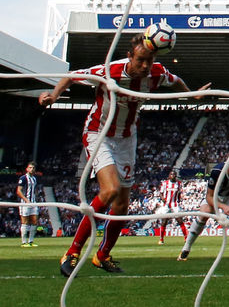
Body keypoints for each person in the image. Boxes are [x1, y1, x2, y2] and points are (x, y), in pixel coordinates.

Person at [39, 33, 210, 277]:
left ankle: (102, 255)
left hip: (127, 138)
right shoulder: (110, 70)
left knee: (122, 204)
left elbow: (175, 80)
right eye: (140, 60)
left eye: (149, 61)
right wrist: (53, 96)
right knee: (109, 191)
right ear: (130, 55)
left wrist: (191, 94)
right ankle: (72, 251)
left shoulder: (156, 73)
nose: (144, 66)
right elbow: (70, 76)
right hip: (98, 133)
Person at [177, 153, 229, 261]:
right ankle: (186, 248)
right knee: (204, 213)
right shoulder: (217, 171)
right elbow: (209, 196)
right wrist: (224, 207)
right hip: (215, 197)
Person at [157, 170, 189, 245]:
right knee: (164, 221)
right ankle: (161, 239)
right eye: (171, 174)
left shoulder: (178, 184)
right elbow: (161, 194)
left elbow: (179, 193)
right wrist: (164, 200)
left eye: (174, 174)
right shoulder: (165, 183)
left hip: (174, 204)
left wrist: (178, 200)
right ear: (169, 175)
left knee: (179, 220)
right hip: (166, 205)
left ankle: (186, 238)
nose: (173, 176)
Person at [16, 162, 39, 247]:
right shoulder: (23, 178)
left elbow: (34, 190)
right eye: (30, 167)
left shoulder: (34, 179)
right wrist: (26, 200)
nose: (31, 169)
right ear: (27, 169)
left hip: (33, 202)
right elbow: (18, 191)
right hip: (25, 203)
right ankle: (24, 242)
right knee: (25, 222)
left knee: (34, 221)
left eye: (33, 168)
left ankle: (31, 241)